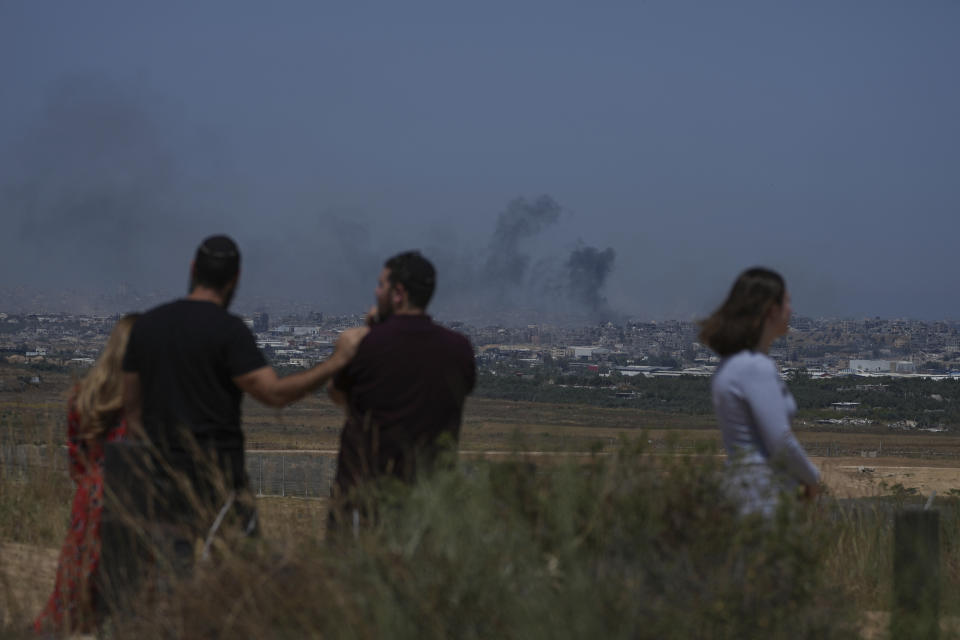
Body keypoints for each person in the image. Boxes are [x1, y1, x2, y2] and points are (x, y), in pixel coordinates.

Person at [118, 235, 367, 564]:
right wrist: (336, 363)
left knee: (167, 573)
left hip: (160, 478)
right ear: (236, 279)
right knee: (235, 574)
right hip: (219, 480)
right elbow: (273, 394)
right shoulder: (229, 331)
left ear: (193, 269)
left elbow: (131, 411)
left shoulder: (147, 326)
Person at [327, 251, 476, 527]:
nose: (375, 291)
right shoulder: (460, 349)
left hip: (366, 499)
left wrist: (371, 331)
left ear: (398, 293)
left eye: (381, 285)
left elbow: (336, 394)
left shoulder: (366, 346)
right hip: (428, 504)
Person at [33, 314, 139, 635]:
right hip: (137, 504)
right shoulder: (151, 404)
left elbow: (77, 465)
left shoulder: (83, 397)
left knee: (75, 589)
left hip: (91, 503)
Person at [699, 267, 820, 517]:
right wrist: (812, 478)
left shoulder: (730, 365)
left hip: (739, 488)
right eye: (787, 301)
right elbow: (780, 440)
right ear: (771, 311)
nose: (792, 310)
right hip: (764, 495)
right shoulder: (756, 368)